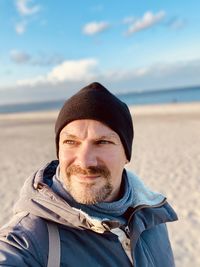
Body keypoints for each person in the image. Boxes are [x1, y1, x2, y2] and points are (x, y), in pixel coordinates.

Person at [0, 82, 178, 267]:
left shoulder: (151, 214)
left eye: (102, 142)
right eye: (71, 141)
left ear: (126, 154)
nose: (85, 162)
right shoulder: (31, 238)